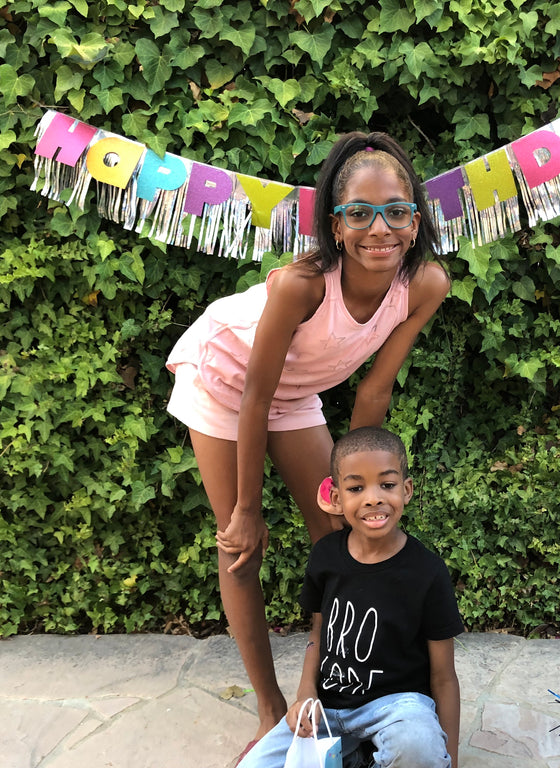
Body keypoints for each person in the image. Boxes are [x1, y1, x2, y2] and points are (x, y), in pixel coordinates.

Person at [165, 132, 451, 756]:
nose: (380, 229)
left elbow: (374, 392)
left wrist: (358, 486)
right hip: (225, 381)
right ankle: (271, 707)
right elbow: (254, 397)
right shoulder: (304, 284)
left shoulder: (425, 283)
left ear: (416, 220)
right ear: (336, 226)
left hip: (294, 392)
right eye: (360, 213)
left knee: (343, 538)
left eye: (396, 212)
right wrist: (248, 508)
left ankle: (347, 691)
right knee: (241, 547)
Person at [239, 426, 463, 768]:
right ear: (336, 498)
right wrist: (306, 694)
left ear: (406, 490)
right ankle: (359, 756)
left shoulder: (427, 572)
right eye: (356, 488)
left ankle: (370, 754)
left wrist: (451, 759)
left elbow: (444, 677)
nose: (373, 498)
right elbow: (318, 633)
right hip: (328, 710)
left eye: (387, 485)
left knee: (418, 746)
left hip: (396, 708)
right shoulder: (326, 556)